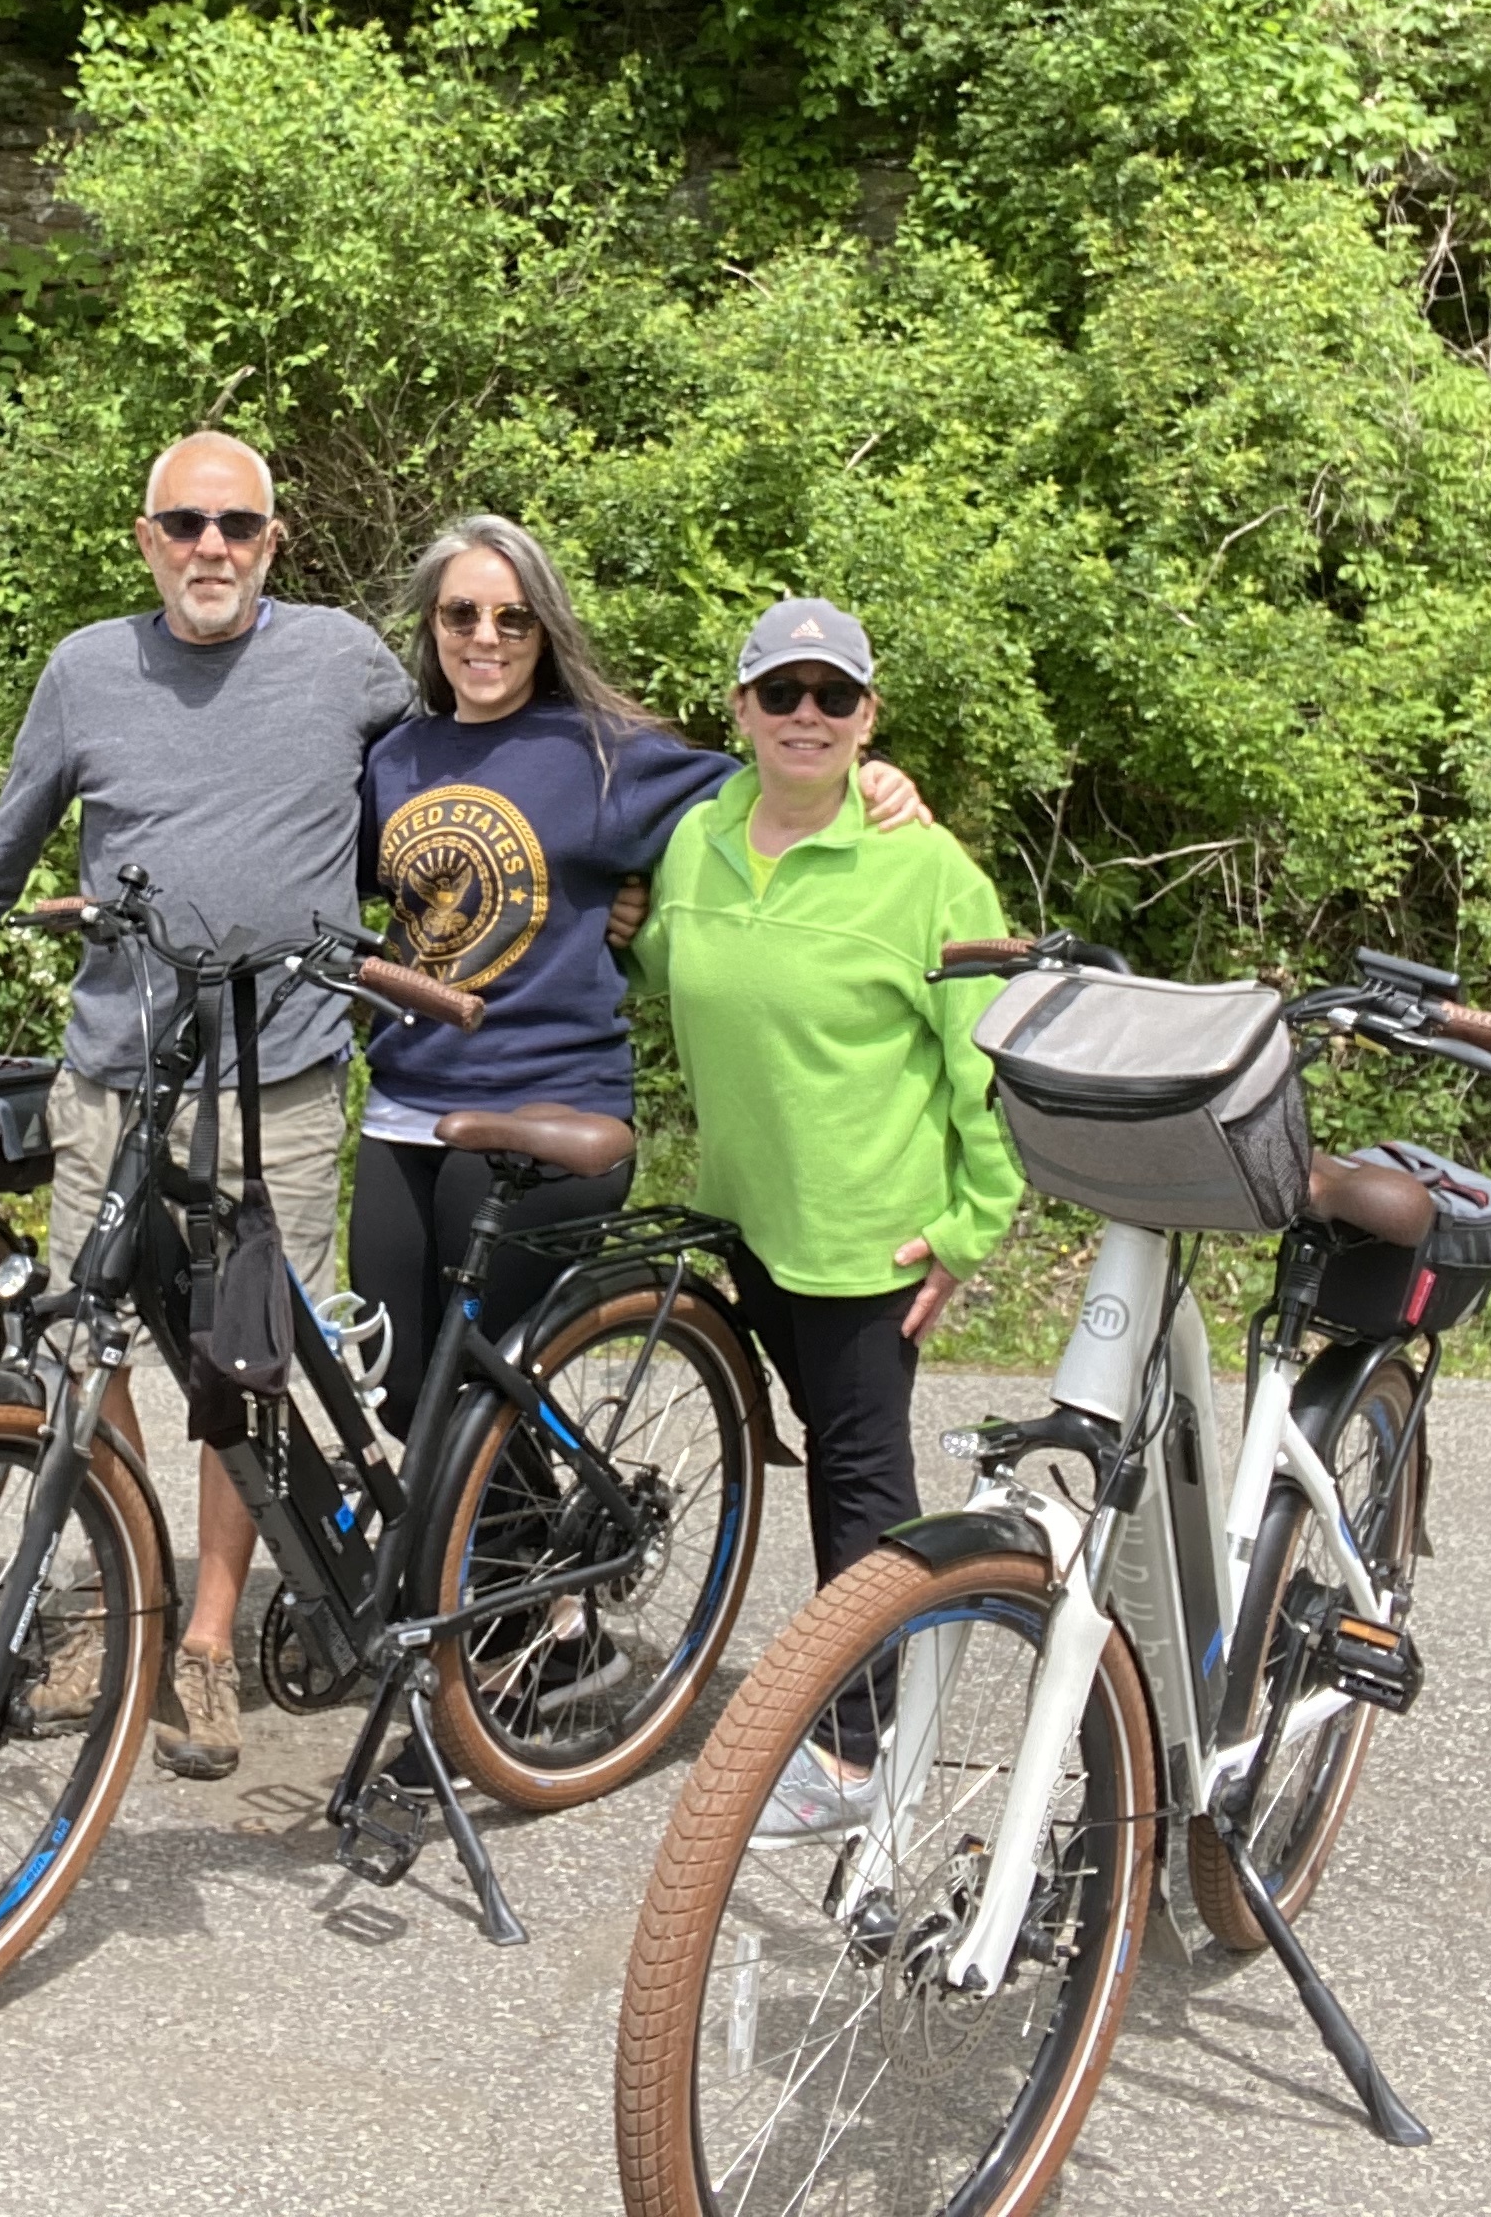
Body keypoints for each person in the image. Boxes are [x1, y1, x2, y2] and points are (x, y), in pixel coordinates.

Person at [0, 430, 409, 1783]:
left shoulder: (348, 662)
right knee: (92, 1346)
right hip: (113, 1077)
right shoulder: (86, 670)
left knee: (252, 1363)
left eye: (236, 526)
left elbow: (478, 765)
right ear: (146, 540)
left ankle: (204, 1633)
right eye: (184, 524)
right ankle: (121, 1594)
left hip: (285, 1079)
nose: (211, 549)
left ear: (273, 539)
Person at [354, 518, 924, 1434]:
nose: (485, 637)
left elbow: (763, 794)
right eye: (461, 614)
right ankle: (500, 1560)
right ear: (431, 627)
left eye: (514, 617)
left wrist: (873, 783)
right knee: (396, 1388)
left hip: (548, 1101)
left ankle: (518, 1568)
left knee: (477, 1393)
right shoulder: (396, 759)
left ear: (547, 630)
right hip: (405, 1102)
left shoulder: (607, 753)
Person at [619, 595, 1021, 1842]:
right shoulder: (697, 840)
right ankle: (851, 1697)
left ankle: (857, 1751)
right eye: (780, 694)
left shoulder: (931, 869)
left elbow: (992, 1054)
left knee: (858, 1481)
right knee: (803, 1452)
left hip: (867, 1236)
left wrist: (972, 1224)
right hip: (741, 1216)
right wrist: (625, 931)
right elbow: (667, 965)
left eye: (832, 697)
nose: (806, 717)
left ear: (868, 715)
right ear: (738, 710)